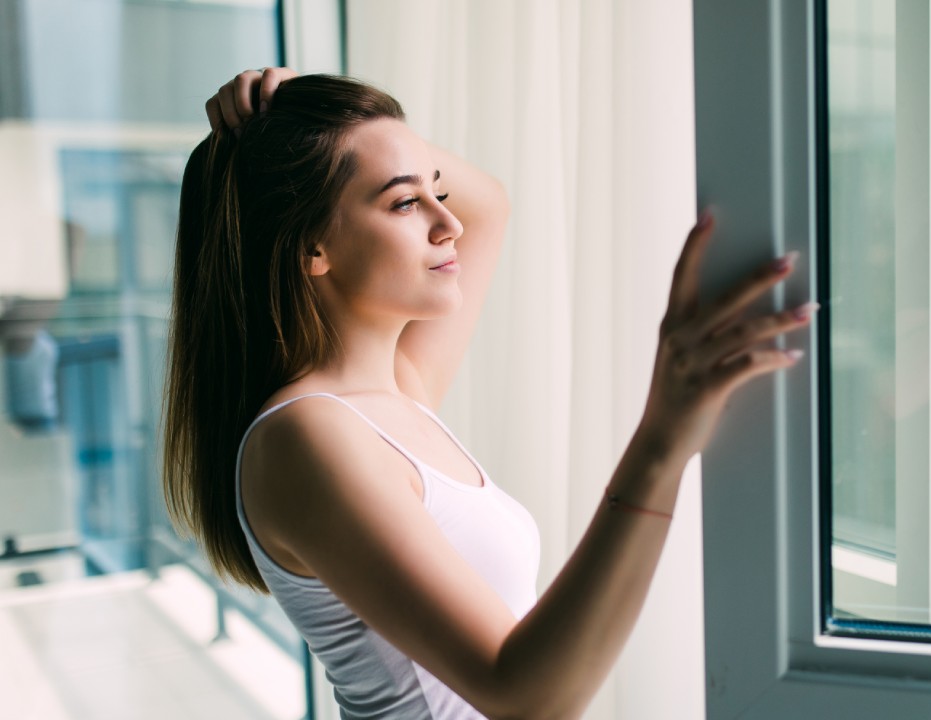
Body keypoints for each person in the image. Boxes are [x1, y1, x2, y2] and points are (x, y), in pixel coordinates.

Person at [163, 68, 814, 719]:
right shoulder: (306, 437)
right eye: (405, 203)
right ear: (311, 245)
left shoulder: (396, 394)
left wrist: (311, 110)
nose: (449, 223)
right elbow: (524, 695)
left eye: (437, 191)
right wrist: (662, 441)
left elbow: (488, 205)